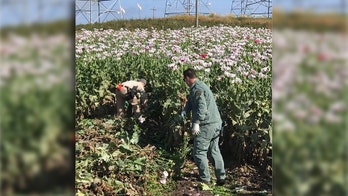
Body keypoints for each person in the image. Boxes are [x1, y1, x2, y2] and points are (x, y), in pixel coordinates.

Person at [181, 68, 226, 186]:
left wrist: (196, 122)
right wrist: (185, 110)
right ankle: (221, 177)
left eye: (184, 80)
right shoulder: (200, 86)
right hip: (216, 123)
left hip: (207, 124)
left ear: (187, 78)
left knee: (199, 151)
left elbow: (202, 108)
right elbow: (191, 101)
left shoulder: (197, 89)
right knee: (214, 150)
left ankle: (205, 179)